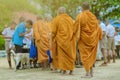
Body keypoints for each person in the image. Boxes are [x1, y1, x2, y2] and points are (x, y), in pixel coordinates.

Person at [74, 2, 102, 78]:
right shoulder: (93, 16)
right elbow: (98, 28)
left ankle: (88, 73)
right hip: (92, 39)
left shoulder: (80, 16)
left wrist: (74, 35)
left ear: (82, 8)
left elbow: (75, 28)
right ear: (89, 8)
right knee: (91, 55)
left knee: (85, 56)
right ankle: (91, 72)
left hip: (83, 39)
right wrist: (99, 36)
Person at [51, 7, 76, 75]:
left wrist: (52, 38)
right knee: (70, 55)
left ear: (58, 12)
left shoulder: (57, 19)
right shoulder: (70, 19)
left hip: (61, 41)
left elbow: (53, 31)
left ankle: (64, 70)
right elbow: (74, 29)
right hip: (70, 40)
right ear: (65, 12)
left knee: (62, 56)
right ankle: (71, 70)